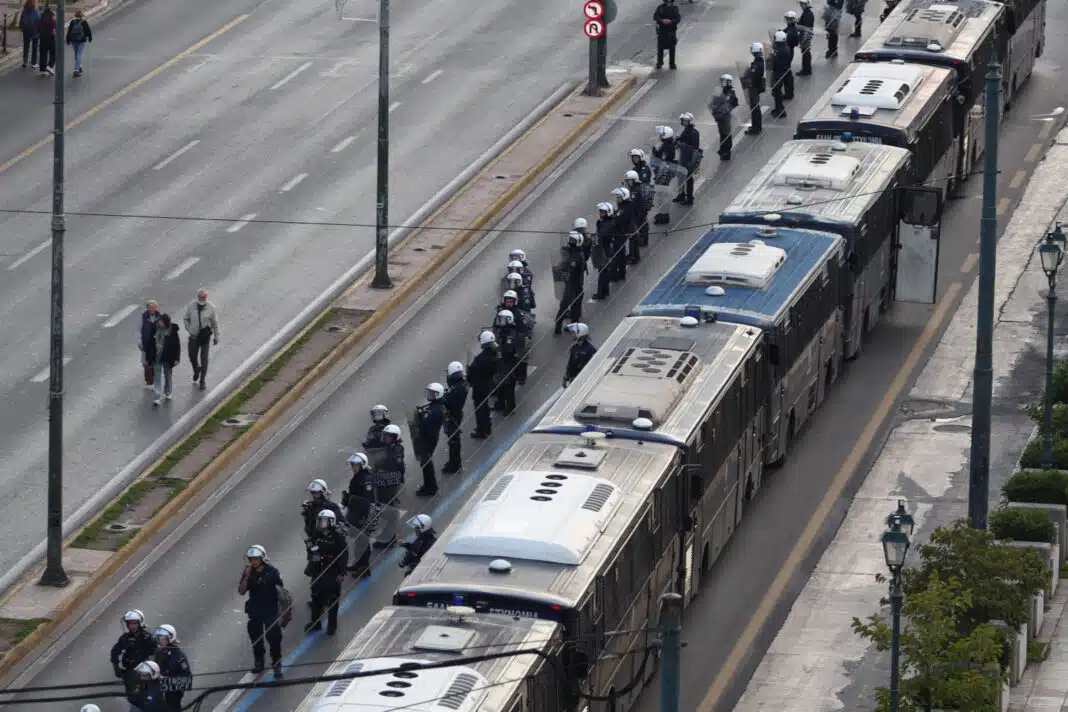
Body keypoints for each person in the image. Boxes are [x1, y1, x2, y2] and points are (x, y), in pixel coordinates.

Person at [238, 545, 284, 677]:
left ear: (262, 558)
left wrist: (283, 611)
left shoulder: (272, 572)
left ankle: (277, 664)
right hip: (255, 610)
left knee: (274, 638)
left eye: (256, 559)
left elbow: (282, 591)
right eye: (251, 559)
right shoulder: (248, 572)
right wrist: (246, 577)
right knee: (256, 638)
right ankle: (259, 662)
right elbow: (241, 591)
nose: (253, 562)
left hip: (270, 610)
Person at [305, 510, 348, 635]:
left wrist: (341, 572)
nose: (321, 524)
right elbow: (312, 549)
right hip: (318, 570)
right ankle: (315, 623)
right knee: (316, 596)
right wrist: (310, 549)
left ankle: (332, 625)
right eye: (319, 521)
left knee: (332, 599)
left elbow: (344, 555)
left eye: (323, 521)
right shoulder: (316, 534)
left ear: (331, 522)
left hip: (332, 570)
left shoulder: (338, 537)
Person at [371, 423, 405, 546]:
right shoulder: (389, 448)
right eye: (385, 436)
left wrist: (383, 471)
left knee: (388, 509)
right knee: (384, 508)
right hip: (383, 482)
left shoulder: (396, 450)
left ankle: (389, 538)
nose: (386, 438)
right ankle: (388, 535)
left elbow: (397, 466)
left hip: (389, 483)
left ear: (395, 437)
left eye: (389, 436)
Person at [342, 453, 374, 579]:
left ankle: (364, 568)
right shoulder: (357, 477)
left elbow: (367, 500)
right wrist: (347, 499)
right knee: (358, 540)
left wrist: (351, 499)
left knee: (363, 542)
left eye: (356, 465)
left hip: (364, 515)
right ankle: (358, 563)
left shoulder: (367, 479)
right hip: (356, 514)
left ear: (362, 465)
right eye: (353, 465)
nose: (354, 467)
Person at [111, 610, 157, 700]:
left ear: (140, 623)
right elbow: (114, 652)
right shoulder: (125, 638)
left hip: (146, 673)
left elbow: (156, 655)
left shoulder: (148, 638)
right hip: (130, 673)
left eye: (134, 623)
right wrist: (116, 667)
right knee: (132, 699)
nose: (131, 626)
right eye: (129, 623)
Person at [182, 289, 220, 391]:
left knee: (204, 359)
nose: (202, 299)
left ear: (206, 297)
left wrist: (216, 336)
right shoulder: (191, 306)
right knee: (192, 356)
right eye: (200, 297)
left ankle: (202, 380)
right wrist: (189, 329)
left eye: (204, 297)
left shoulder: (211, 308)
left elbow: (215, 323)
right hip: (193, 337)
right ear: (198, 296)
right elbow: (186, 318)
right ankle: (196, 369)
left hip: (204, 337)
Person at [151, 625, 192, 712]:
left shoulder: (179, 656)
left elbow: (186, 679)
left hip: (173, 694)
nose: (160, 641)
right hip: (157, 694)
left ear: (170, 638)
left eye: (163, 639)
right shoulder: (158, 652)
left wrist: (167, 681)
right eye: (158, 638)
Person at [415, 382, 445, 497]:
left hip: (429, 439)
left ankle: (431, 487)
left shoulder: (434, 410)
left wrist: (420, 417)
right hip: (429, 437)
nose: (429, 395)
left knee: (426, 462)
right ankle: (428, 485)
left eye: (432, 393)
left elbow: (424, 424)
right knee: (425, 462)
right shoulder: (435, 406)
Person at [467, 331, 499, 439]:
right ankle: (487, 428)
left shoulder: (481, 359)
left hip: (480, 386)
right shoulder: (494, 354)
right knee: (485, 407)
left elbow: (473, 373)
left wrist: (469, 375)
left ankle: (481, 430)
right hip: (488, 384)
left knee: (480, 409)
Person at [554, 232, 587, 334]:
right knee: (565, 306)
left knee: (575, 308)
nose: (571, 242)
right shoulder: (570, 252)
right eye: (570, 240)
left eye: (573, 240)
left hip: (577, 284)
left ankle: (573, 325)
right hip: (570, 284)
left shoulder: (578, 255)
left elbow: (575, 268)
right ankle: (558, 325)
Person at [493, 311, 523, 416]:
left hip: (510, 366)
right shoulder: (501, 331)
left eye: (502, 319)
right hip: (502, 366)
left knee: (509, 388)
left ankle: (510, 408)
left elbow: (508, 350)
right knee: (500, 386)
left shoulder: (512, 334)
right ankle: (500, 404)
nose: (500, 322)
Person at [442, 362, 468, 474]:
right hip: (456, 414)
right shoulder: (461, 385)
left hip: (453, 415)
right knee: (453, 440)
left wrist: (443, 398)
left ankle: (455, 464)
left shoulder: (457, 389)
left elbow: (449, 401)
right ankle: (453, 462)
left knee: (453, 441)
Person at [151, 314, 181, 407]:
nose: (159, 323)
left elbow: (177, 345)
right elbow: (152, 342)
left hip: (168, 357)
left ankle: (167, 392)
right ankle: (157, 396)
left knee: (168, 375)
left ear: (165, 322)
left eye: (161, 322)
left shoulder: (172, 332)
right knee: (157, 377)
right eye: (159, 321)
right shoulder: (157, 330)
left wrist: (177, 358)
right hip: (157, 357)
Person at [709, 75, 740, 160]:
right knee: (722, 133)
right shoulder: (720, 91)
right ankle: (722, 148)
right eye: (722, 81)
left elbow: (733, 102)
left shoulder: (730, 92)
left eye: (724, 81)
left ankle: (727, 152)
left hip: (726, 116)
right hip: (720, 116)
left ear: (729, 82)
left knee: (726, 134)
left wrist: (725, 107)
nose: (723, 83)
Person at [651, 126, 676, 226]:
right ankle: (662, 213)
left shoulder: (667, 147)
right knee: (661, 195)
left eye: (662, 134)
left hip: (664, 173)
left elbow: (663, 160)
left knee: (662, 195)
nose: (660, 135)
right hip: (664, 172)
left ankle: (664, 215)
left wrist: (655, 154)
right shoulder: (666, 145)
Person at [675, 113, 701, 206]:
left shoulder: (693, 132)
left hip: (690, 158)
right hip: (684, 157)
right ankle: (681, 194)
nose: (684, 122)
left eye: (686, 121)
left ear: (690, 121)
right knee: (681, 176)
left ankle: (689, 197)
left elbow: (693, 147)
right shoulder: (686, 130)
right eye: (683, 120)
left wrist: (681, 144)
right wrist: (679, 140)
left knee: (688, 178)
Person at [592, 203, 616, 300]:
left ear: (608, 212)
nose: (601, 214)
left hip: (605, 249)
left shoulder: (608, 224)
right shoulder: (603, 222)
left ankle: (601, 293)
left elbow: (601, 235)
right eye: (600, 212)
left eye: (603, 212)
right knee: (604, 271)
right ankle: (605, 291)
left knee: (602, 272)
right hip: (603, 248)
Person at [623, 171, 652, 250]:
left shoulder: (636, 190)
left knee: (640, 227)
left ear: (634, 180)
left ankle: (642, 241)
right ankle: (642, 241)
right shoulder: (635, 188)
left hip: (639, 213)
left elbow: (635, 203)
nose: (627, 182)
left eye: (629, 180)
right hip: (638, 213)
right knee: (641, 226)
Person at [742, 42, 766, 135]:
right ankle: (756, 126)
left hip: (754, 88)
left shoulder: (756, 64)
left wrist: (747, 74)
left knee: (754, 108)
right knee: (755, 107)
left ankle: (756, 128)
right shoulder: (759, 62)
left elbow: (753, 76)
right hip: (756, 87)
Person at [612, 187, 639, 268]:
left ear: (624, 197)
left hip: (628, 228)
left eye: (618, 197)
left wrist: (614, 215)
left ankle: (633, 257)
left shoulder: (624, 208)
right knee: (634, 242)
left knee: (632, 243)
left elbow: (618, 218)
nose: (617, 199)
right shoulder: (630, 203)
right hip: (632, 225)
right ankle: (635, 256)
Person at [138, 301, 160, 389]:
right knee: (145, 362)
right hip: (146, 343)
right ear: (147, 308)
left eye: (153, 307)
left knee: (155, 362)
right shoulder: (143, 317)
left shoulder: (160, 318)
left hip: (156, 344)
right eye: (150, 307)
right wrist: (139, 342)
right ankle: (148, 380)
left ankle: (153, 380)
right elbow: (139, 330)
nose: (152, 309)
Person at [653, 0, 681, 70]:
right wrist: (662, 20)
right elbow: (655, 16)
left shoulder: (675, 8)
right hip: (662, 30)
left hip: (671, 30)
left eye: (670, 2)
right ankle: (659, 62)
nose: (669, 3)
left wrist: (671, 21)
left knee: (672, 47)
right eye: (667, 2)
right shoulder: (660, 8)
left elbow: (678, 19)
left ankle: (672, 63)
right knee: (660, 47)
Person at [65, 9, 92, 77]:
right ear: (81, 16)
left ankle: (79, 66)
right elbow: (88, 31)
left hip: (73, 40)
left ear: (75, 15)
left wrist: (68, 39)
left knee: (76, 53)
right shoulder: (84, 22)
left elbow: (69, 31)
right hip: (81, 40)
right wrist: (89, 38)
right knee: (79, 54)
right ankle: (76, 70)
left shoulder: (72, 22)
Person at [770, 31, 790, 119]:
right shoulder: (784, 48)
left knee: (777, 92)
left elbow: (778, 65)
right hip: (780, 74)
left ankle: (780, 111)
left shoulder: (781, 52)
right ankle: (778, 108)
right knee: (776, 92)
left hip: (779, 74)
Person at [782, 11, 800, 100]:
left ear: (792, 19)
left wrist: (785, 37)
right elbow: (785, 30)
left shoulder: (793, 30)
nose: (787, 21)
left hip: (789, 51)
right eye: (786, 19)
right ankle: (788, 92)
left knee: (787, 73)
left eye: (788, 19)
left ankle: (789, 93)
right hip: (787, 51)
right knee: (786, 72)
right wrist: (781, 32)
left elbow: (794, 41)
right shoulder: (790, 27)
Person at [19, 0, 40, 70]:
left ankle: (25, 61)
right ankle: (33, 63)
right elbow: (39, 21)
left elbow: (21, 21)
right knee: (34, 48)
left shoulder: (24, 11)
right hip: (35, 31)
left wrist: (22, 29)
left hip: (26, 31)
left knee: (26, 46)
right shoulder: (36, 11)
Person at [36, 5, 55, 77]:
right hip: (51, 38)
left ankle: (43, 70)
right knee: (53, 53)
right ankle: (50, 66)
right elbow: (55, 29)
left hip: (43, 38)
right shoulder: (53, 20)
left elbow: (38, 29)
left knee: (43, 53)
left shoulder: (41, 20)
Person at [798, 0, 815, 75]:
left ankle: (806, 69)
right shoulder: (806, 12)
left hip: (806, 35)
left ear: (807, 4)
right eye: (801, 4)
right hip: (806, 34)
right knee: (805, 51)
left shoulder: (808, 14)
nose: (801, 5)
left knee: (805, 52)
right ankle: (806, 69)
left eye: (803, 4)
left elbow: (806, 28)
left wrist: (803, 39)